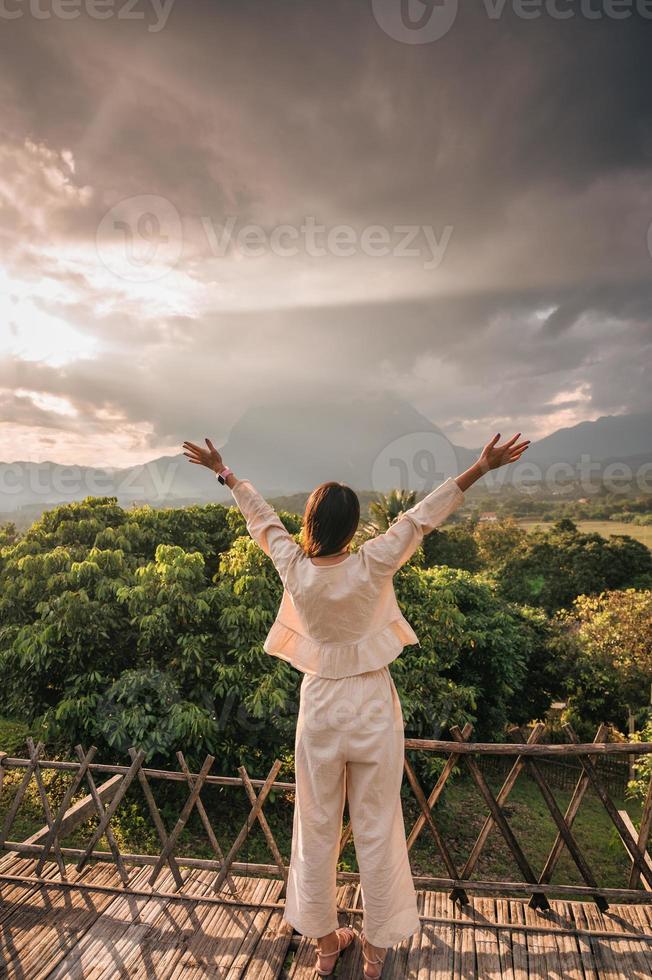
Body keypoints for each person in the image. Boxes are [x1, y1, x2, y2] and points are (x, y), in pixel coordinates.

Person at [182, 432, 530, 978]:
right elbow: (418, 519)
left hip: (320, 703)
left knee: (315, 824)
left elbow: (261, 519)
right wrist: (479, 469)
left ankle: (324, 944)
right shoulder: (372, 564)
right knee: (378, 824)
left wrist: (223, 472)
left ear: (312, 524)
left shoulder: (295, 569)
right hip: (370, 700)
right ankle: (373, 952)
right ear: (352, 526)